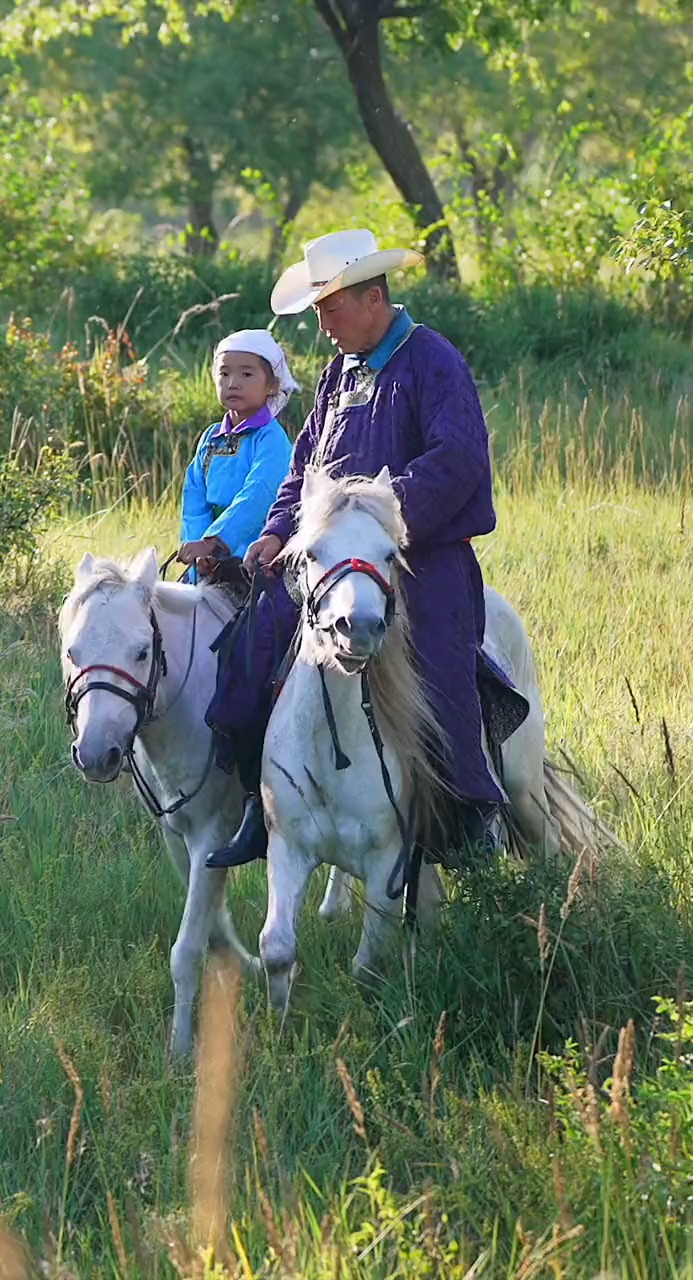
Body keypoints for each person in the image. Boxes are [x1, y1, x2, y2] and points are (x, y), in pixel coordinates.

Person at [205, 228, 504, 870]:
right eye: (316, 313)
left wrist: (377, 518)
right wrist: (277, 531)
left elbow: (458, 462)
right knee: (250, 649)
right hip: (326, 566)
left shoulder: (434, 360)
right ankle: (265, 803)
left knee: (444, 673)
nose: (322, 327)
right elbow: (304, 466)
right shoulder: (340, 373)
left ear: (372, 298)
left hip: (422, 558)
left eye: (329, 310)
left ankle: (472, 821)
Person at [177, 330, 296, 578]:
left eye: (247, 374)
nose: (233, 382)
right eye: (224, 373)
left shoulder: (270, 438)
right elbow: (194, 500)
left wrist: (216, 542)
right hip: (207, 560)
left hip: (254, 557)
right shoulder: (211, 438)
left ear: (272, 384)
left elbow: (259, 494)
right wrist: (198, 549)